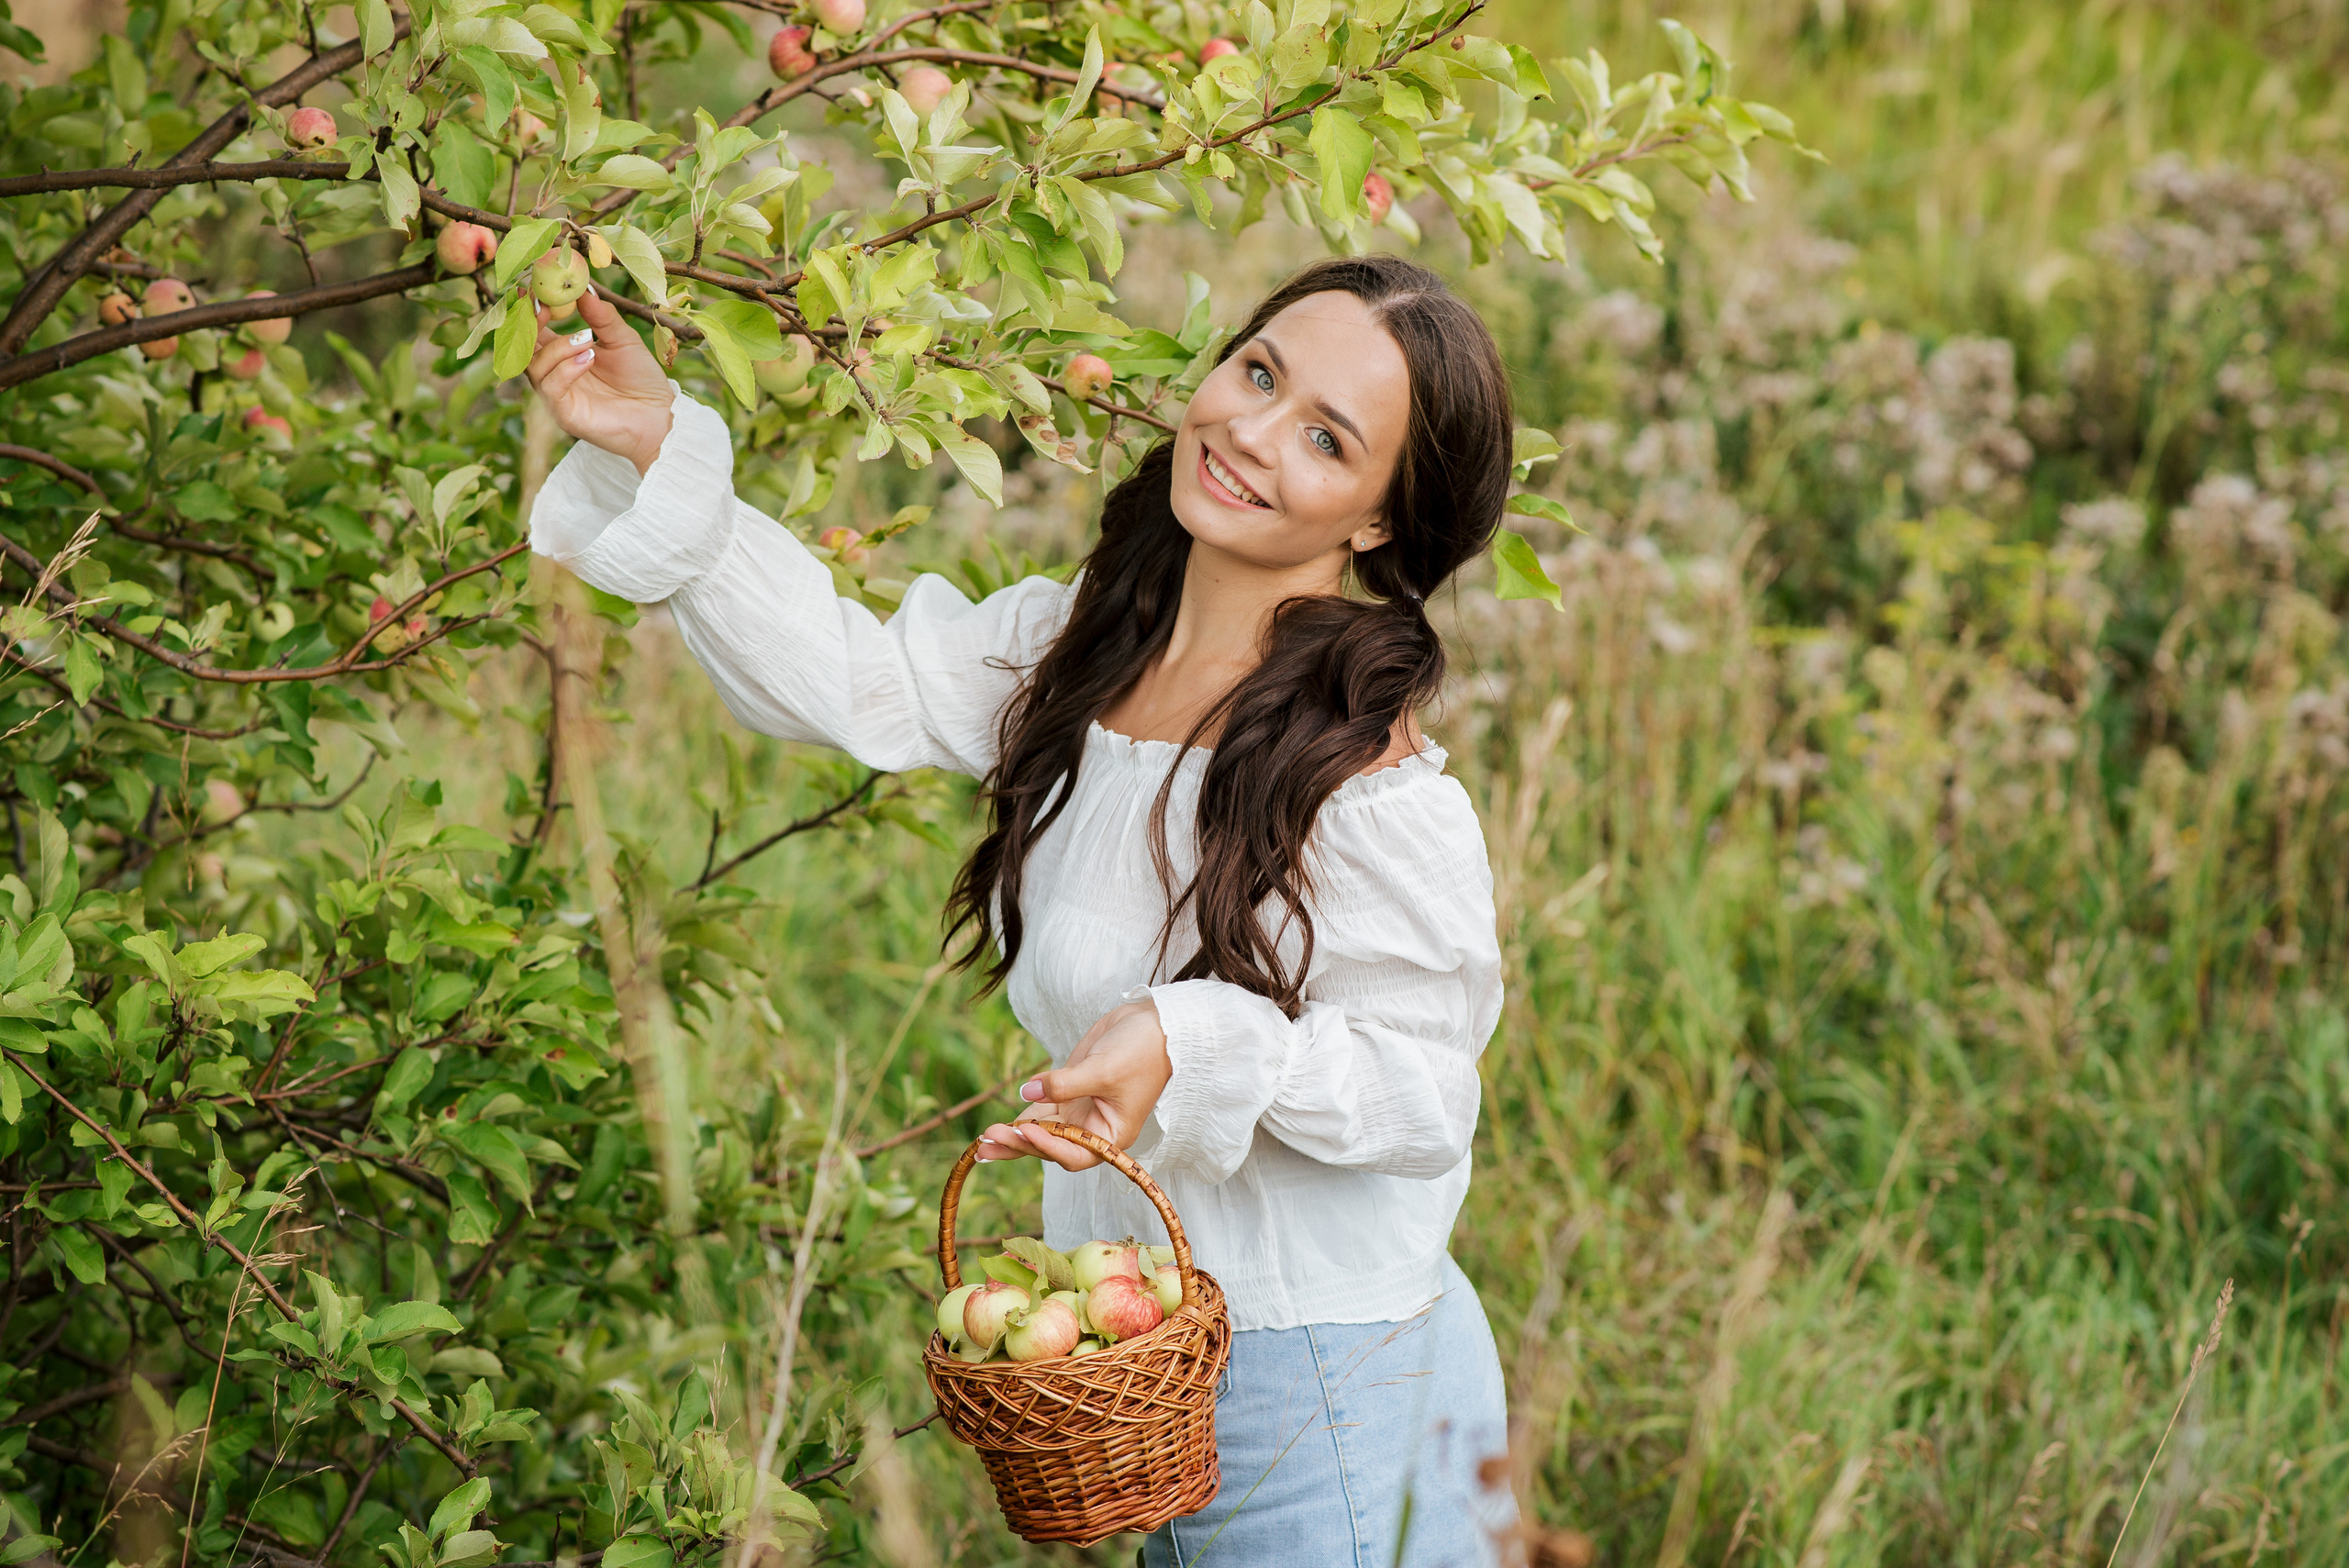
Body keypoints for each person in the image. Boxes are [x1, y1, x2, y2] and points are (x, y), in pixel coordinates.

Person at [526, 254, 1515, 1563]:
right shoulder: (1085, 644)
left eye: (1326, 438)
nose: (1252, 432)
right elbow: (860, 678)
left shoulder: (1363, 774)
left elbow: (1425, 1093)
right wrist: (660, 447)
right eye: (1259, 373)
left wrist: (1193, 1040)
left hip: (1325, 1379)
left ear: (1378, 521)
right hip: (1159, 1360)